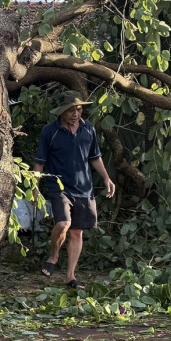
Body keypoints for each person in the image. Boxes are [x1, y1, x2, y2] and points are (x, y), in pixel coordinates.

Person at [31, 90, 115, 288]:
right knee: (63, 224)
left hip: (84, 188)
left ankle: (70, 276)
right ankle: (53, 256)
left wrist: (106, 178)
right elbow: (39, 163)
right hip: (59, 186)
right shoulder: (49, 132)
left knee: (77, 232)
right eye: (71, 110)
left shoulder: (88, 129)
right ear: (62, 111)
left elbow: (94, 157)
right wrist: (35, 188)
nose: (75, 114)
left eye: (78, 109)